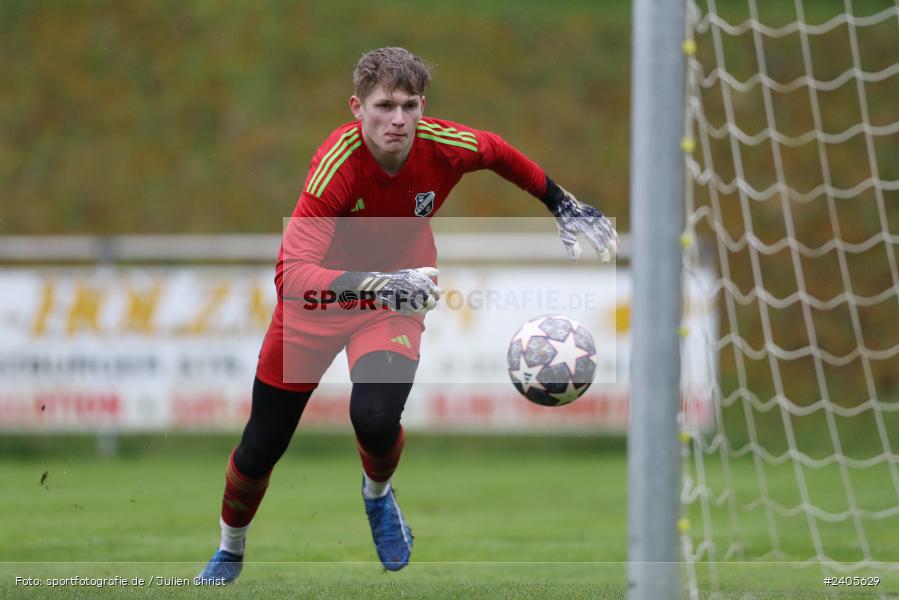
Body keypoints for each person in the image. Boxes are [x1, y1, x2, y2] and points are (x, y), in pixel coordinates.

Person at [198, 47, 617, 583]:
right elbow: (291, 276)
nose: (398, 119)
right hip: (318, 305)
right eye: (384, 106)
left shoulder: (443, 146)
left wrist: (560, 202)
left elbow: (498, 152)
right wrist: (380, 283)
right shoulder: (336, 167)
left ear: (423, 107)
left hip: (394, 302)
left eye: (410, 106)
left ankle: (377, 496)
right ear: (357, 107)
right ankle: (230, 549)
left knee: (374, 417)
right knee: (261, 445)